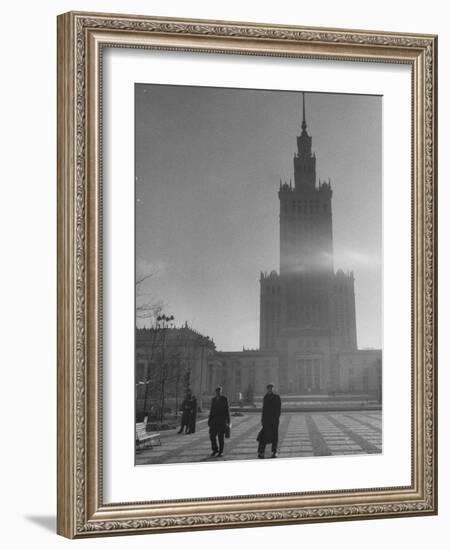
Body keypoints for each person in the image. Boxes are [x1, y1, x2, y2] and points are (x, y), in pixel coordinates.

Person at [257, 383, 281, 458]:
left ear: (272, 389)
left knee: (274, 436)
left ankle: (274, 451)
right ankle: (261, 452)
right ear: (267, 389)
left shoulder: (276, 397)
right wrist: (262, 419)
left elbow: (278, 409)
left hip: (274, 421)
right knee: (263, 436)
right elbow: (263, 409)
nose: (270, 390)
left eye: (271, 388)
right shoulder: (265, 397)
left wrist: (276, 418)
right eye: (269, 389)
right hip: (266, 420)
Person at [208, 386, 230, 457]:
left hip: (221, 421)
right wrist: (209, 420)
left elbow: (227, 410)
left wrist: (228, 421)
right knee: (212, 436)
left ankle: (221, 451)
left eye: (219, 392)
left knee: (221, 438)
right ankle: (215, 449)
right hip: (214, 422)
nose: (218, 393)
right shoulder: (213, 400)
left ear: (221, 392)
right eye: (217, 392)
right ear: (215, 392)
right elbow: (211, 410)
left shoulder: (224, 399)